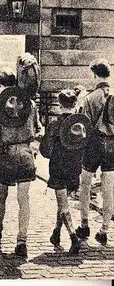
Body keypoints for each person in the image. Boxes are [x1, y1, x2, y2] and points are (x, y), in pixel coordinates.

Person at [0, 68, 42, 258]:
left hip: (6, 155)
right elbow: (38, 129)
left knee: (1, 196)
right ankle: (21, 241)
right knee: (23, 199)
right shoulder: (30, 104)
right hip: (25, 154)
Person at [40, 89, 92, 254]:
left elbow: (45, 151)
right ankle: (56, 232)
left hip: (58, 168)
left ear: (59, 105)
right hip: (75, 168)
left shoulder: (55, 125)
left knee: (63, 205)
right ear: (75, 104)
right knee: (63, 202)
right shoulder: (81, 125)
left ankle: (73, 237)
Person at [76, 59, 114, 246]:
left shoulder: (90, 98)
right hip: (113, 145)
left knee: (86, 185)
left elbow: (84, 126)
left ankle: (84, 225)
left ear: (94, 74)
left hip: (93, 144)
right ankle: (105, 229)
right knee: (109, 189)